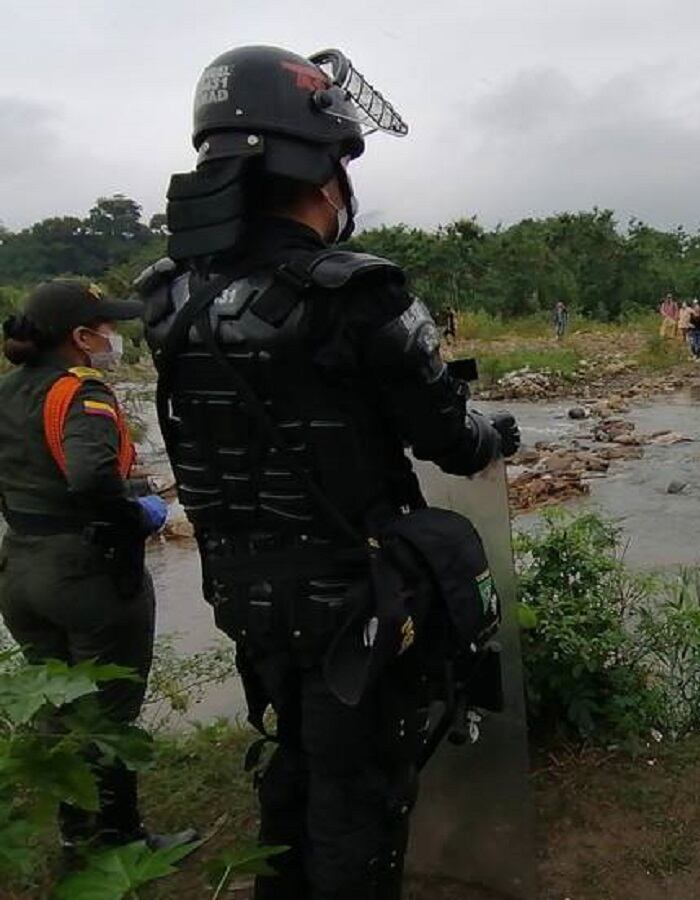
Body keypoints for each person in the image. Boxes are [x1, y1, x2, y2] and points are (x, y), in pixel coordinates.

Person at [139, 45, 520, 898]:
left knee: (293, 758)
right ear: (322, 173)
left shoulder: (165, 295)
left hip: (240, 589)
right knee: (361, 792)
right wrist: (498, 431)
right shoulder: (357, 292)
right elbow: (449, 440)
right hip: (355, 597)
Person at [0, 281, 191, 857]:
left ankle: (74, 833)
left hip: (19, 569)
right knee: (106, 714)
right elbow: (86, 475)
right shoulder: (84, 394)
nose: (114, 336)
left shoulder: (6, 393)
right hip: (86, 574)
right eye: (106, 328)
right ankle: (120, 841)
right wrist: (138, 513)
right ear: (80, 338)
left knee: (59, 706)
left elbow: (43, 474)